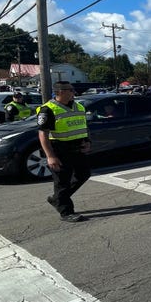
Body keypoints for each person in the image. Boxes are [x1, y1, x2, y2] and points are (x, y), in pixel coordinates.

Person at [37, 81, 91, 223]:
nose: (73, 92)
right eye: (70, 90)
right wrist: (50, 156)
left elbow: (83, 126)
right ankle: (66, 212)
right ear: (59, 92)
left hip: (77, 148)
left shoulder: (78, 106)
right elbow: (43, 134)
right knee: (62, 182)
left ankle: (57, 199)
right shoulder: (47, 109)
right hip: (59, 150)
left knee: (83, 174)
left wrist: (87, 142)